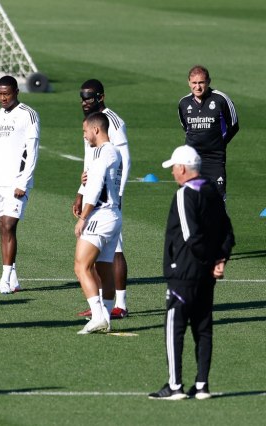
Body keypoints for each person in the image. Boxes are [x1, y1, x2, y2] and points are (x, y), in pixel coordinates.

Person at [149, 145, 234, 400]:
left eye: (174, 168)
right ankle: (202, 385)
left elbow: (190, 235)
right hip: (206, 275)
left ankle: (175, 386)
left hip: (184, 273)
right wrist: (220, 259)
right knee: (203, 327)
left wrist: (208, 261)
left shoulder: (185, 193)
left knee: (174, 327)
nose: (173, 173)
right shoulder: (211, 190)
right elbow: (227, 231)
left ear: (183, 168)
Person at [73, 79, 131, 319]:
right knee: (100, 255)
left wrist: (118, 194)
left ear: (101, 97)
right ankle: (101, 304)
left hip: (108, 200)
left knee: (115, 250)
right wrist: (81, 192)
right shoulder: (90, 124)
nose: (84, 102)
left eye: (89, 97)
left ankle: (120, 304)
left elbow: (124, 161)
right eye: (82, 98)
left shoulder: (112, 122)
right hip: (95, 196)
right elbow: (91, 166)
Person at [0, 75, 40, 294]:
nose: (3, 98)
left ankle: (4, 280)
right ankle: (12, 280)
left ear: (16, 92)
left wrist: (23, 181)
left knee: (8, 226)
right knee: (2, 228)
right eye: (0, 94)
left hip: (16, 182)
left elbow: (32, 151)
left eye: (7, 94)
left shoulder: (28, 115)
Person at [74, 112, 122, 335]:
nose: (84, 136)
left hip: (100, 216)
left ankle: (97, 317)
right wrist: (87, 178)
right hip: (113, 215)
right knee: (104, 268)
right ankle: (106, 317)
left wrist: (83, 218)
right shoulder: (113, 152)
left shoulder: (104, 152)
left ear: (96, 129)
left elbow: (95, 188)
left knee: (81, 266)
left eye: (85, 131)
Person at [178, 65, 239, 202]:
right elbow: (186, 127)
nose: (197, 87)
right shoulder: (183, 103)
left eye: (201, 82)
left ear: (208, 82)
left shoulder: (221, 99)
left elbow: (234, 125)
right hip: (191, 159)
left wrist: (220, 143)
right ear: (189, 83)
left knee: (218, 200)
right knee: (191, 200)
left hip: (214, 159)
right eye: (194, 83)